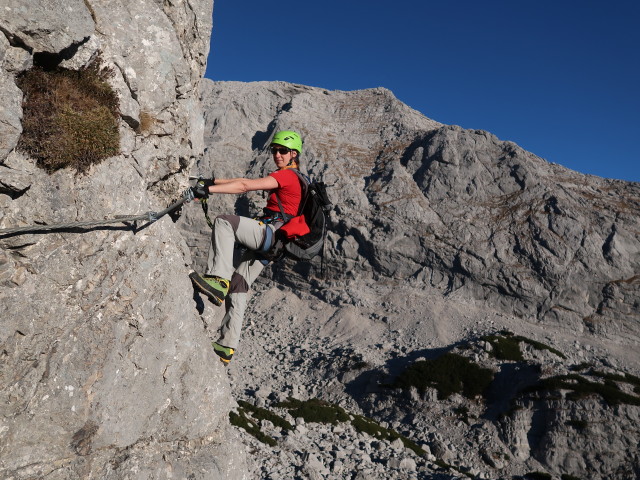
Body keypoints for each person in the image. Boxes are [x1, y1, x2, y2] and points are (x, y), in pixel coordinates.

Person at [189, 130, 304, 364]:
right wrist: (213, 182)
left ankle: (217, 281)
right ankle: (226, 346)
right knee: (240, 285)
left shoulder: (288, 176)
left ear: (294, 154)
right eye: (274, 150)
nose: (277, 155)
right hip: (277, 245)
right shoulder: (297, 178)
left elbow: (244, 186)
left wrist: (207, 190)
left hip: (270, 234)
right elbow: (248, 182)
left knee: (224, 222)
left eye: (282, 151)